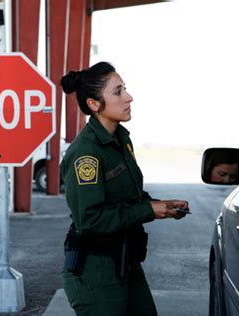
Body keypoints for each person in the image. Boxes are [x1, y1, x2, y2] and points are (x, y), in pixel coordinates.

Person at [59, 61, 189, 316]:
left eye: (124, 89)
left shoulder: (120, 139)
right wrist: (148, 210)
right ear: (94, 105)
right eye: (118, 92)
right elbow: (90, 220)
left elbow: (128, 198)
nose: (128, 97)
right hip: (97, 274)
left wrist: (162, 205)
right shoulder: (86, 153)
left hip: (124, 262)